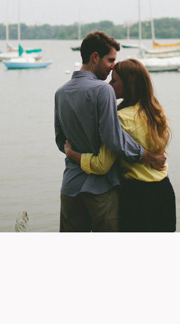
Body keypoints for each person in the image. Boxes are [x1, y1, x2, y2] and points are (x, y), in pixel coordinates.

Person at [55, 31, 166, 232]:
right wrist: (146, 155)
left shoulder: (61, 93)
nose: (113, 66)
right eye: (110, 60)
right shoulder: (103, 90)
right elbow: (113, 139)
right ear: (95, 57)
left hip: (70, 187)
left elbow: (60, 140)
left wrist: (73, 153)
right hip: (101, 190)